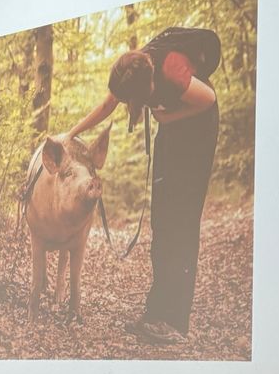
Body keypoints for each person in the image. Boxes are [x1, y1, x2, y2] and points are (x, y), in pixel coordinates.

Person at [65, 29, 220, 345]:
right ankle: (157, 312)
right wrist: (71, 134)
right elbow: (108, 104)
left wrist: (169, 119)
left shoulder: (171, 68)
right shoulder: (132, 71)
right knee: (162, 222)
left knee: (180, 223)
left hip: (197, 132)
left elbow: (208, 100)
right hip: (173, 125)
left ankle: (174, 322)